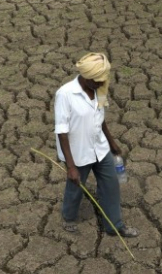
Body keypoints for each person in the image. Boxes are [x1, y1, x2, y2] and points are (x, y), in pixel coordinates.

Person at [53, 52, 139, 238]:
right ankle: (68, 217)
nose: (102, 83)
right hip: (78, 153)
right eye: (98, 80)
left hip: (100, 148)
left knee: (111, 185)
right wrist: (71, 166)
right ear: (86, 77)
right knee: (76, 188)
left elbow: (100, 118)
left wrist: (112, 142)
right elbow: (62, 131)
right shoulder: (65, 94)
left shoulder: (99, 89)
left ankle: (115, 226)